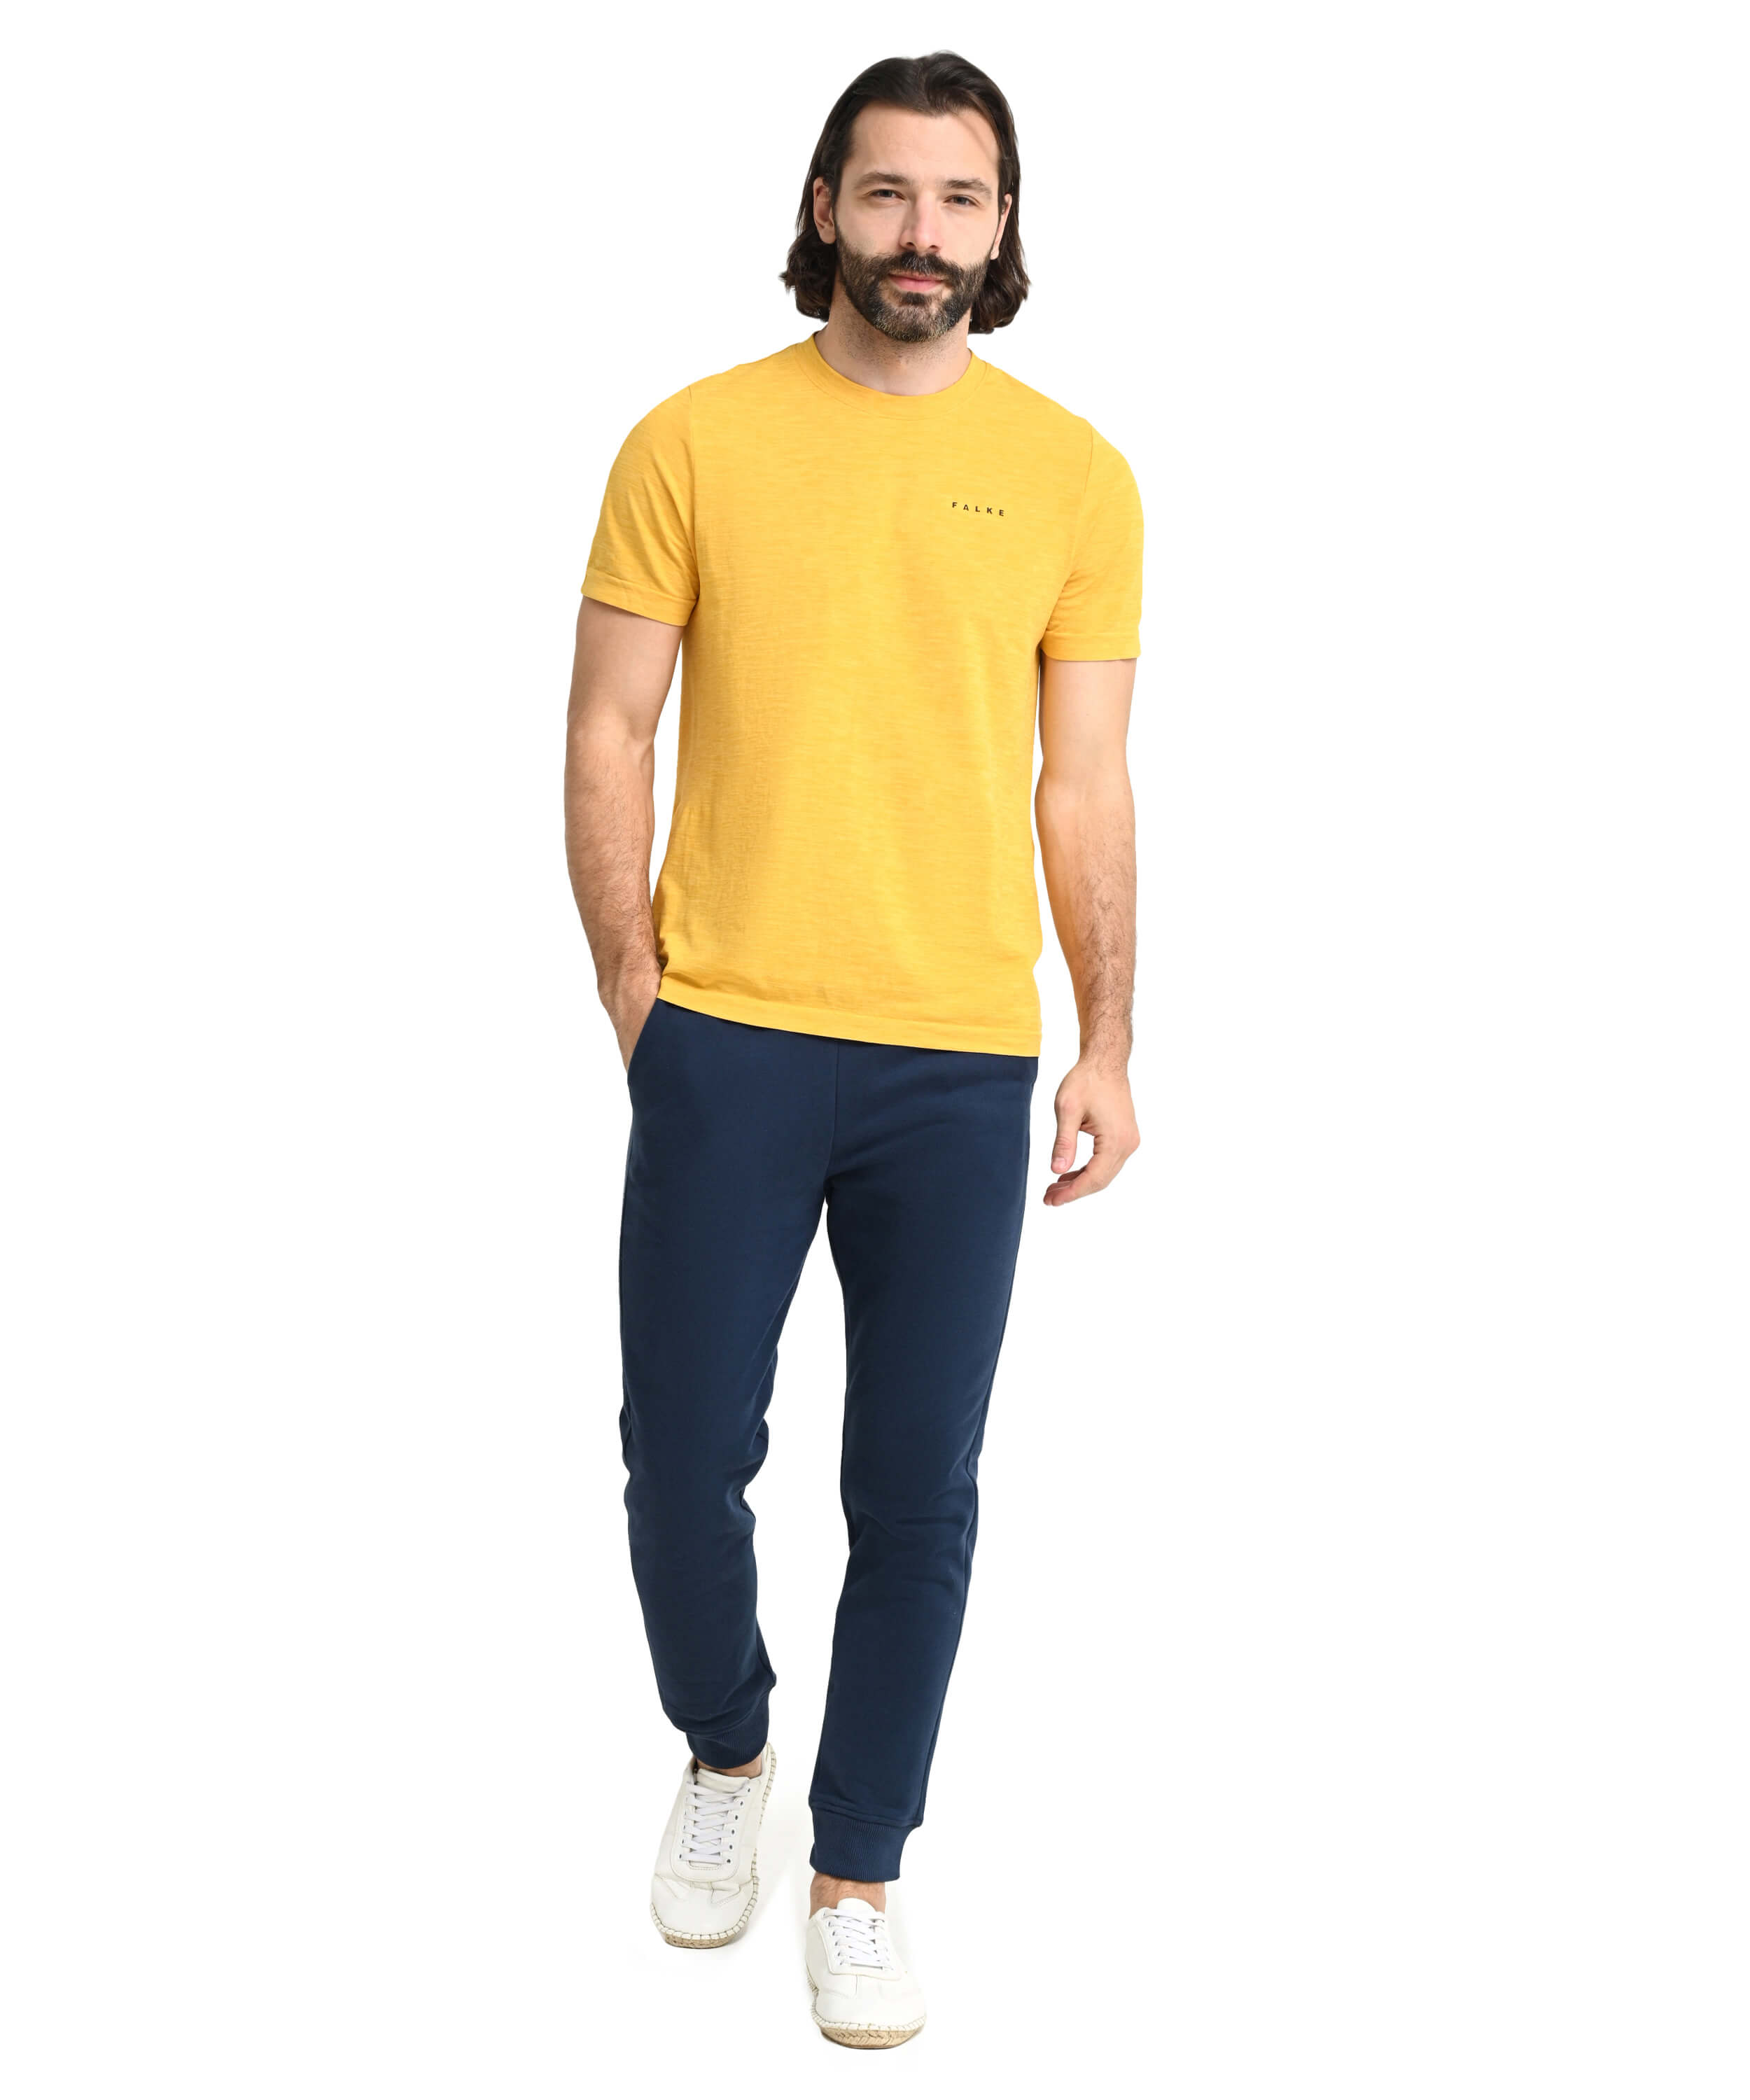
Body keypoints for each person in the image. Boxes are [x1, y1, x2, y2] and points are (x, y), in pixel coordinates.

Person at [564, 50, 1143, 2047]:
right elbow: (607, 728)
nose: (922, 234)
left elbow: (1085, 781)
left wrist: (1108, 1038)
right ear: (826, 206)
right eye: (887, 193)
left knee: (916, 1489)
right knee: (679, 1459)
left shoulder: (1074, 475)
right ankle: (726, 1743)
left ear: (1002, 225)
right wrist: (638, 993)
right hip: (727, 1031)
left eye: (960, 199)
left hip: (955, 1058)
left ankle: (858, 1867)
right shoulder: (692, 440)